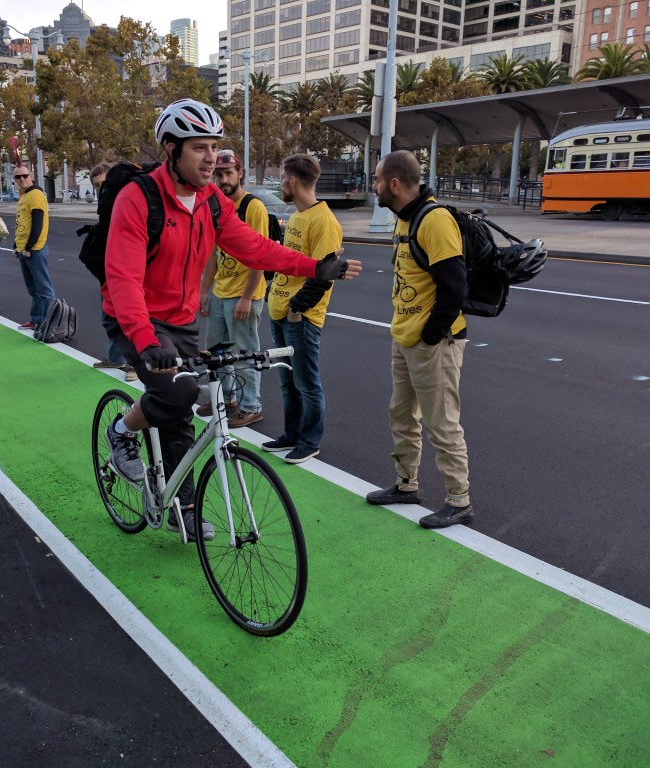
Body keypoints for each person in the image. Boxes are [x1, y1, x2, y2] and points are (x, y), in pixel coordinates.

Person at [101, 98, 360, 542]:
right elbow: (122, 277)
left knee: (180, 413)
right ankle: (122, 430)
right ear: (171, 148)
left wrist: (314, 267)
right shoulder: (138, 197)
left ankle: (182, 505)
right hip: (136, 318)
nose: (211, 157)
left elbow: (256, 247)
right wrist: (145, 341)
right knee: (179, 394)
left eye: (215, 146)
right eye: (199, 147)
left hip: (180, 321)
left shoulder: (211, 202)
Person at [365, 149, 473, 529]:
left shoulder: (434, 220)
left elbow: (454, 287)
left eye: (377, 180)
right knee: (401, 415)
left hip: (434, 343)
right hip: (405, 338)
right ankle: (406, 484)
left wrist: (429, 335)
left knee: (441, 421)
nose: (374, 187)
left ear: (394, 184)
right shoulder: (404, 219)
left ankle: (458, 500)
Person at [263, 154, 344, 465]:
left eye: (283, 178)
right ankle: (292, 434)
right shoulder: (297, 216)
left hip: (301, 316)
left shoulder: (324, 221)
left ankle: (309, 441)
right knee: (287, 379)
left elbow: (325, 274)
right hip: (280, 310)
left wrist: (297, 308)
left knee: (306, 382)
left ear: (292, 181)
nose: (282, 184)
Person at [198, 148, 268, 428]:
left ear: (240, 174)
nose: (223, 179)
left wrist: (247, 297)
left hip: (243, 294)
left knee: (245, 353)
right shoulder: (216, 206)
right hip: (221, 291)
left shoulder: (253, 207)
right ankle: (228, 398)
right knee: (215, 351)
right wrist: (205, 290)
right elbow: (214, 253)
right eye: (218, 174)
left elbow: (259, 255)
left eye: (228, 173)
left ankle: (251, 405)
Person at [87, 162, 137, 382]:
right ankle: (115, 357)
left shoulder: (128, 198)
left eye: (104, 183)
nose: (101, 188)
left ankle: (137, 364)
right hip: (109, 267)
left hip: (129, 268)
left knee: (132, 315)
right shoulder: (105, 202)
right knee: (109, 314)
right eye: (97, 186)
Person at [11, 163, 56, 330]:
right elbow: (22, 222)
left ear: (31, 176)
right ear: (14, 179)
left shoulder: (35, 194)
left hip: (35, 250)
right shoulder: (24, 196)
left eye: (25, 176)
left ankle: (50, 322)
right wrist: (17, 245)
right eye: (18, 177)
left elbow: (38, 223)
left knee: (44, 289)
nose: (22, 179)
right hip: (25, 250)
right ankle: (37, 319)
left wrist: (29, 247)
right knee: (33, 289)